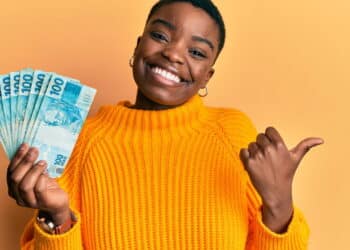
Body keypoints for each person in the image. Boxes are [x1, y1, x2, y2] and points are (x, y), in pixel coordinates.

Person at [7, 0, 323, 249]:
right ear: (137, 46)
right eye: (160, 36)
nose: (173, 53)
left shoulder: (231, 134)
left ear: (207, 76)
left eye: (197, 52)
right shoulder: (83, 141)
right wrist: (57, 217)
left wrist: (279, 200)